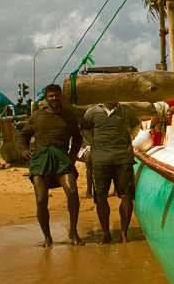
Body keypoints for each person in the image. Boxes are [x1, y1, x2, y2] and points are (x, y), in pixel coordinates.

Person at [18, 84, 83, 246]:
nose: (54, 98)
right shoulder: (37, 116)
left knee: (73, 192)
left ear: (61, 96)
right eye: (51, 96)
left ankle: (73, 232)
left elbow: (77, 137)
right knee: (41, 200)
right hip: (41, 158)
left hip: (61, 157)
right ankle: (47, 236)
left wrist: (73, 154)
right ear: (46, 98)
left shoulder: (68, 116)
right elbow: (22, 136)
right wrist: (24, 151)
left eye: (57, 95)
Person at [82, 101, 142, 244]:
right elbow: (83, 127)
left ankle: (123, 233)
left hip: (123, 159)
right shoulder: (92, 112)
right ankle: (106, 233)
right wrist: (93, 141)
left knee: (126, 195)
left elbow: (136, 124)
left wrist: (130, 137)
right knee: (101, 196)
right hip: (101, 160)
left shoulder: (126, 111)